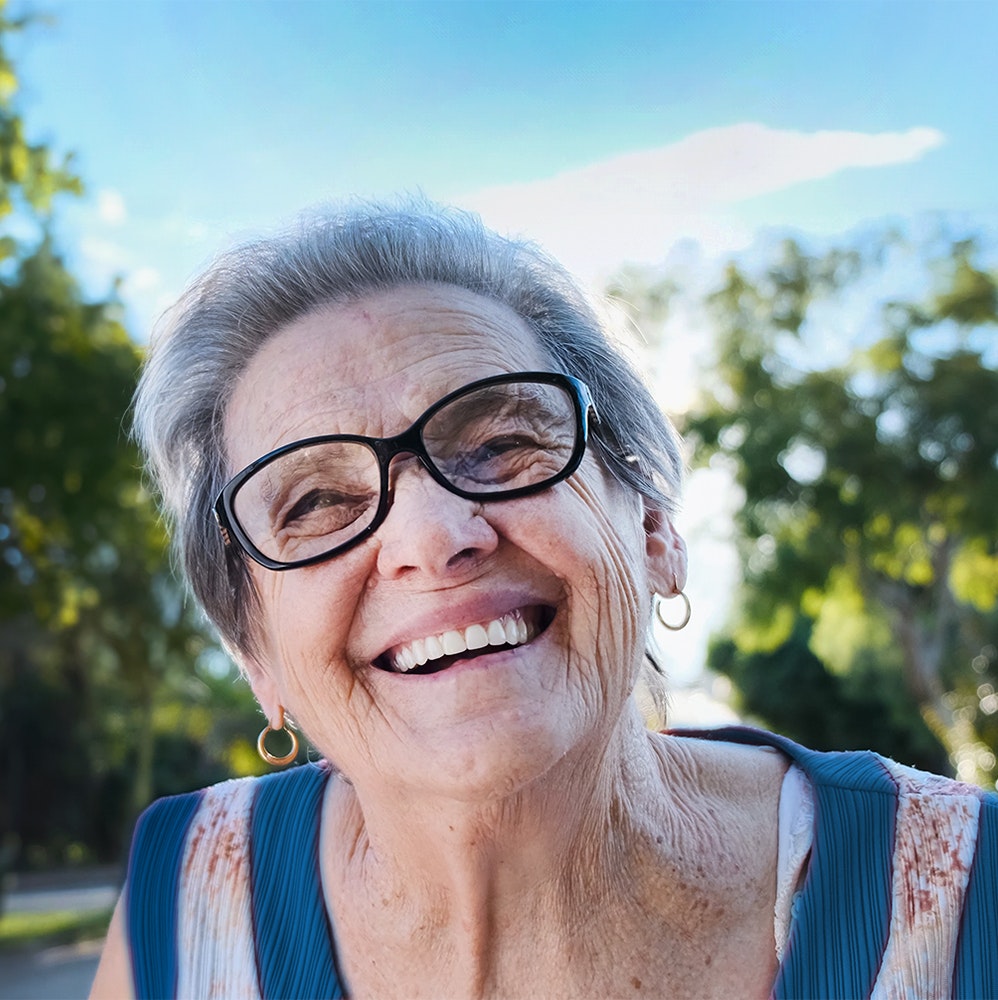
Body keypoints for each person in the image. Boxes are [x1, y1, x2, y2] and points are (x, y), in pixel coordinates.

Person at [91, 200, 997, 1000]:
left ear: (653, 531)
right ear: (256, 653)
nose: (431, 536)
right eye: (317, 501)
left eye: (501, 443)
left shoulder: (968, 894)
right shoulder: (187, 893)